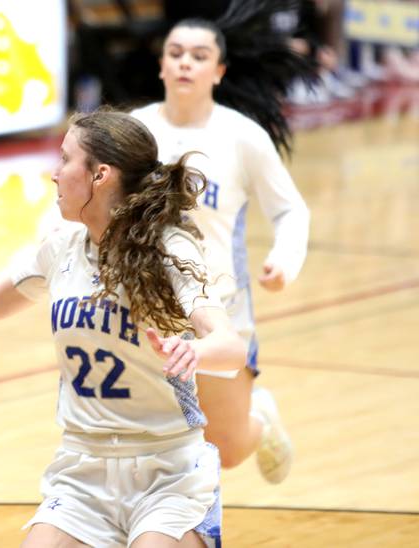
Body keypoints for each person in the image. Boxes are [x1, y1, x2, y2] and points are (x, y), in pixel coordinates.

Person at [0, 109, 247, 547]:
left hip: (168, 470)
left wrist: (195, 352)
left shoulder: (170, 248)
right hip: (83, 471)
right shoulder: (61, 248)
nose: (54, 173)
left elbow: (229, 345)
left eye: (65, 160)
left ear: (100, 175)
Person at [130, 4, 312, 484]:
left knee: (227, 449)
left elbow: (291, 210)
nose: (186, 61)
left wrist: (283, 261)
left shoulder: (242, 137)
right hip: (142, 311)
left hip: (219, 309)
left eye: (198, 54)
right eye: (176, 52)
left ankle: (262, 414)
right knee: (156, 445)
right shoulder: (135, 130)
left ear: (219, 70)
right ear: (162, 65)